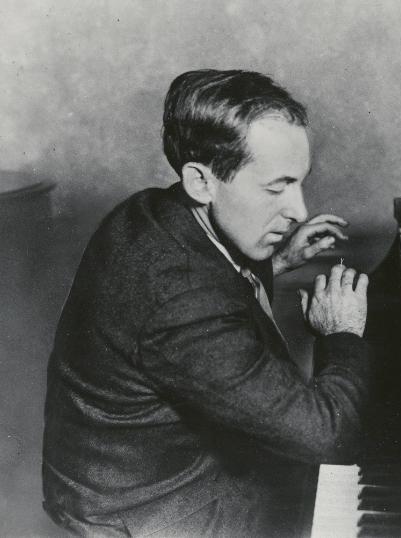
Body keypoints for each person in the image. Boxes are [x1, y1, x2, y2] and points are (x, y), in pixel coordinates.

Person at [42, 69, 372, 536]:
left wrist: (275, 261)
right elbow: (326, 435)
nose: (298, 210)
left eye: (299, 183)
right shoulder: (181, 300)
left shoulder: (150, 211)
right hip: (147, 509)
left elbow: (199, 277)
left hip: (113, 478)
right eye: (276, 188)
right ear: (201, 181)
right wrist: (342, 335)